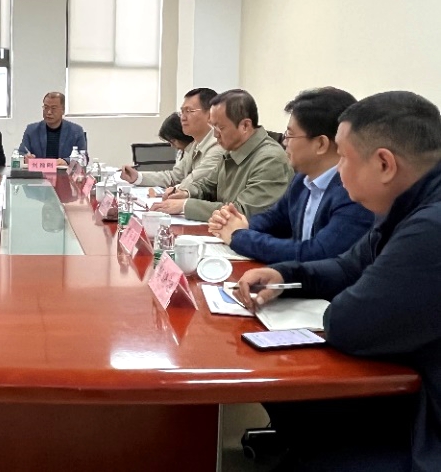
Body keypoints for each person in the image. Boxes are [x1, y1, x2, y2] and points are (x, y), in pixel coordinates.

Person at [234, 91, 441, 472]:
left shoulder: (430, 227)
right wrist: (286, 274)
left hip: (425, 425)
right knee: (292, 402)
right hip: (410, 392)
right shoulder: (404, 203)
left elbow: (349, 322)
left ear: (384, 164)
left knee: (300, 398)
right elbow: (347, 266)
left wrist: (344, 296)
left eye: (343, 157)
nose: (338, 171)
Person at [209, 87, 374, 264]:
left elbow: (316, 253)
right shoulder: (302, 180)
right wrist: (234, 223)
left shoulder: (353, 192)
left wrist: (239, 236)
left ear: (320, 144)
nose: (284, 142)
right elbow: (273, 219)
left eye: (290, 135)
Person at [152, 89, 292, 221]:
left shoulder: (270, 159)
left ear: (245, 126)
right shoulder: (232, 148)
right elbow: (208, 185)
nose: (215, 134)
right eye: (213, 126)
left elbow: (243, 212)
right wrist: (186, 193)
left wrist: (185, 206)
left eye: (220, 127)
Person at [121, 88, 225, 194]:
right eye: (182, 112)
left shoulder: (217, 146)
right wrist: (137, 177)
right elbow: (174, 177)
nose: (183, 118)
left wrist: (174, 190)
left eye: (189, 111)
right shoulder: (196, 144)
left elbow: (194, 183)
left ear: (211, 114)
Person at [19, 92, 87, 163]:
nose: (49, 112)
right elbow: (21, 153)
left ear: (63, 110)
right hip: (39, 170)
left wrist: (66, 161)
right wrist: (25, 157)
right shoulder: (31, 130)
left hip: (64, 170)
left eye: (53, 108)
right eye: (46, 107)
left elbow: (83, 157)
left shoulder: (76, 131)